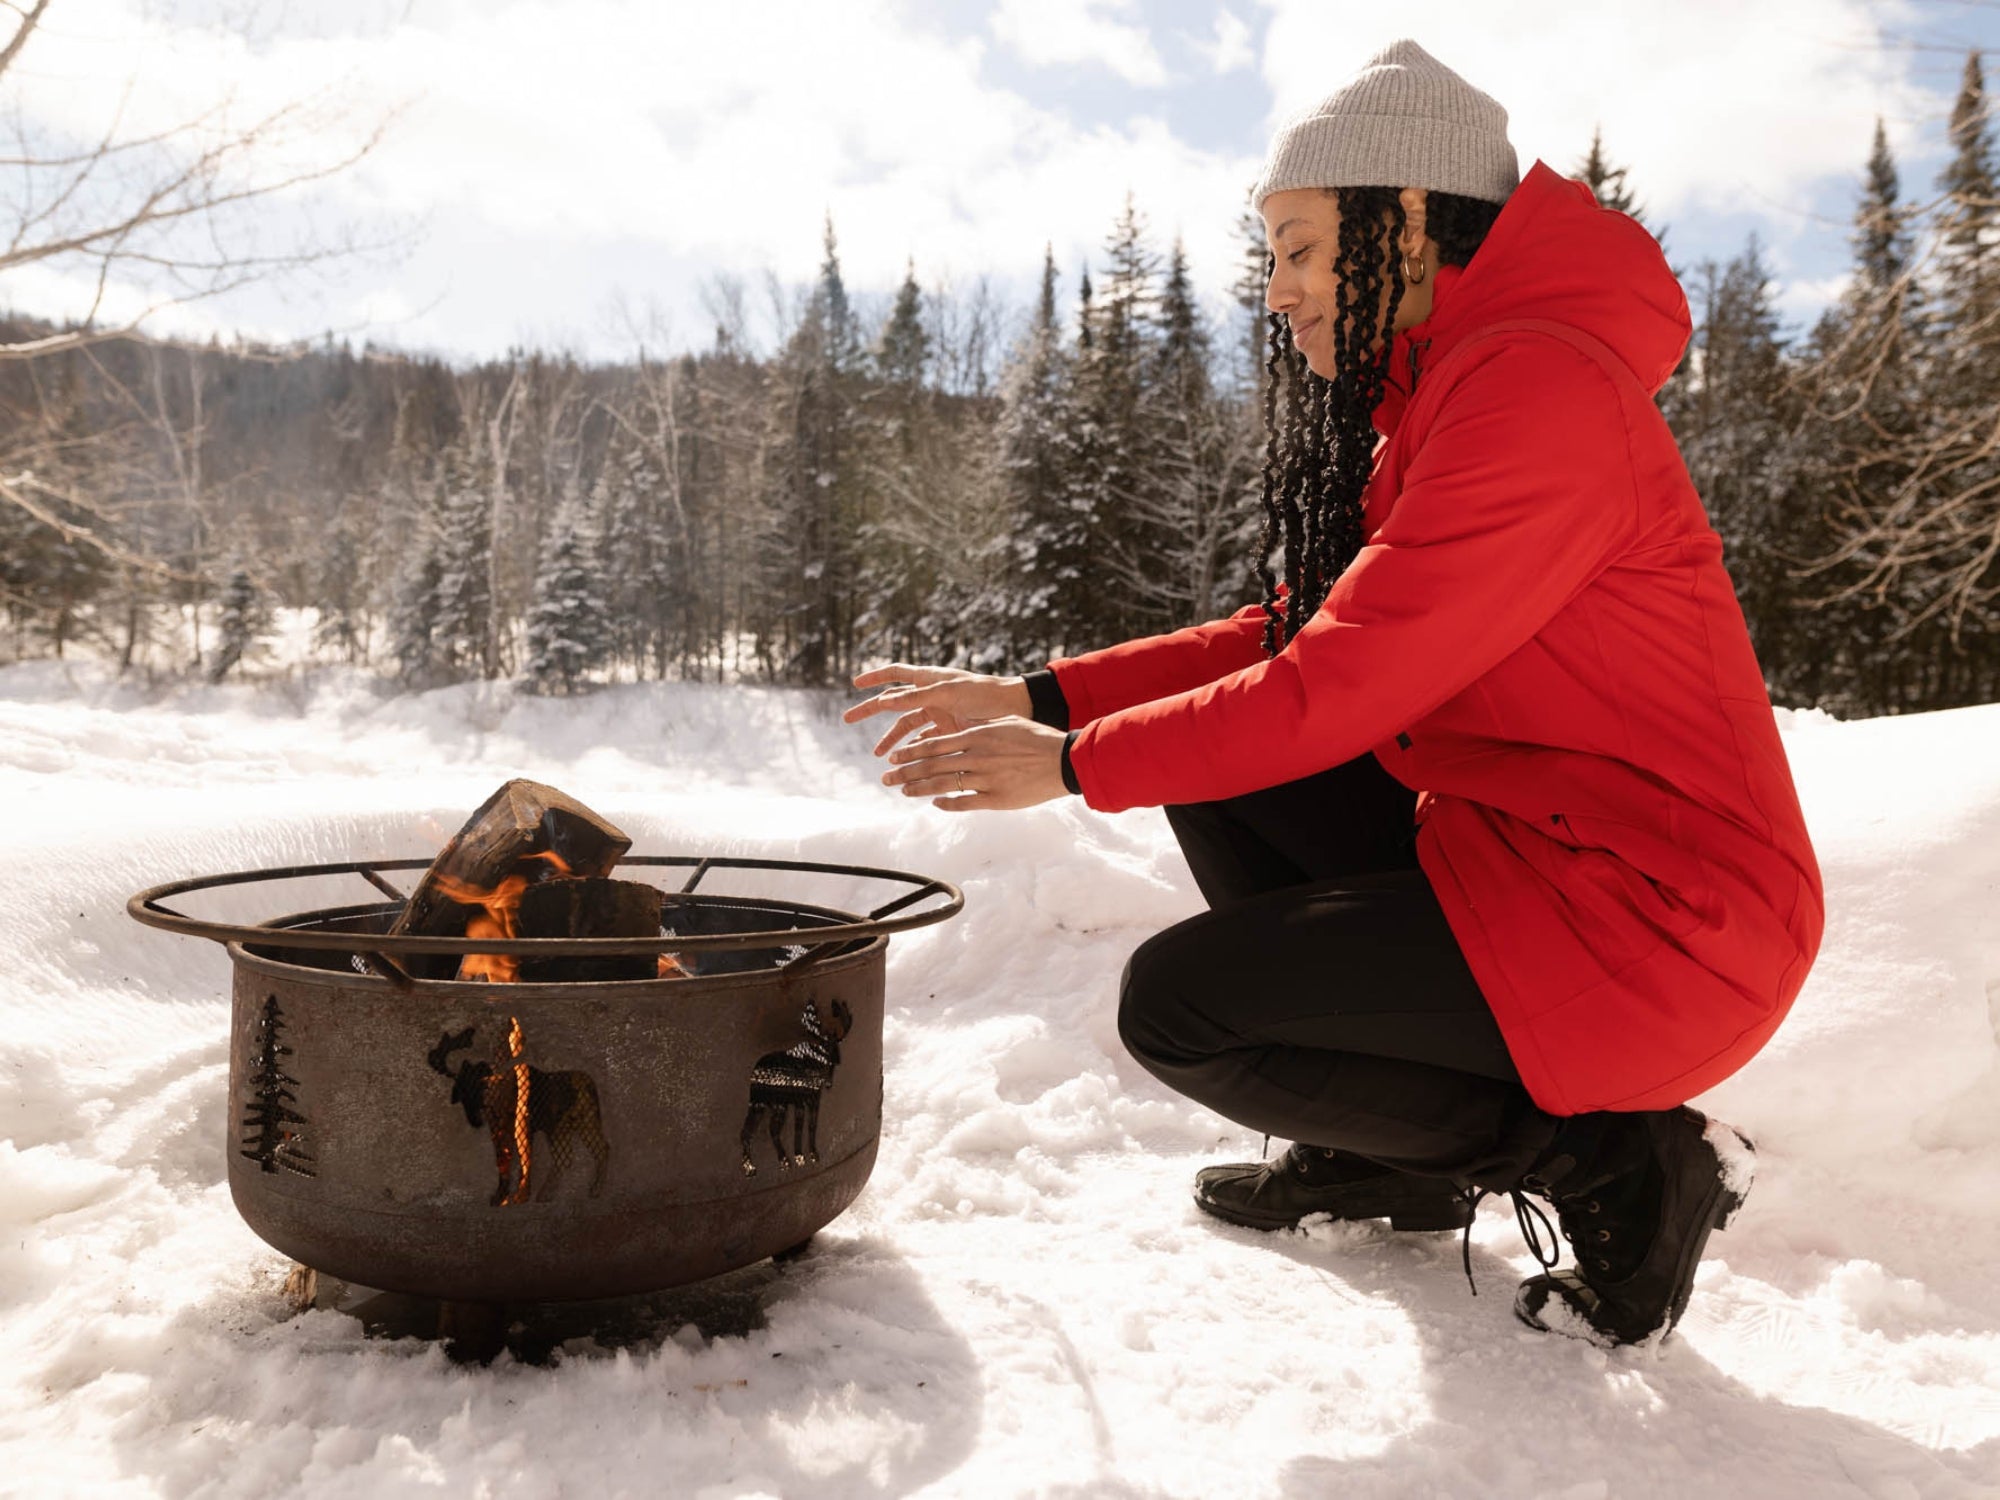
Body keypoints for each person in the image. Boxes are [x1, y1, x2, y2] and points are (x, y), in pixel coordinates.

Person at [843, 39, 1823, 1348]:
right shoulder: (1457, 388)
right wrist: (1038, 696)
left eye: (1303, 250)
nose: (1283, 292)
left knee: (1181, 1009)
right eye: (1274, 260)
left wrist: (1070, 766)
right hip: (1539, 860)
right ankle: (1397, 1160)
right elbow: (1287, 636)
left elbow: (1337, 682)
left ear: (1406, 221)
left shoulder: (1538, 394)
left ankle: (1619, 1162)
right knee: (1233, 771)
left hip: (1661, 922)